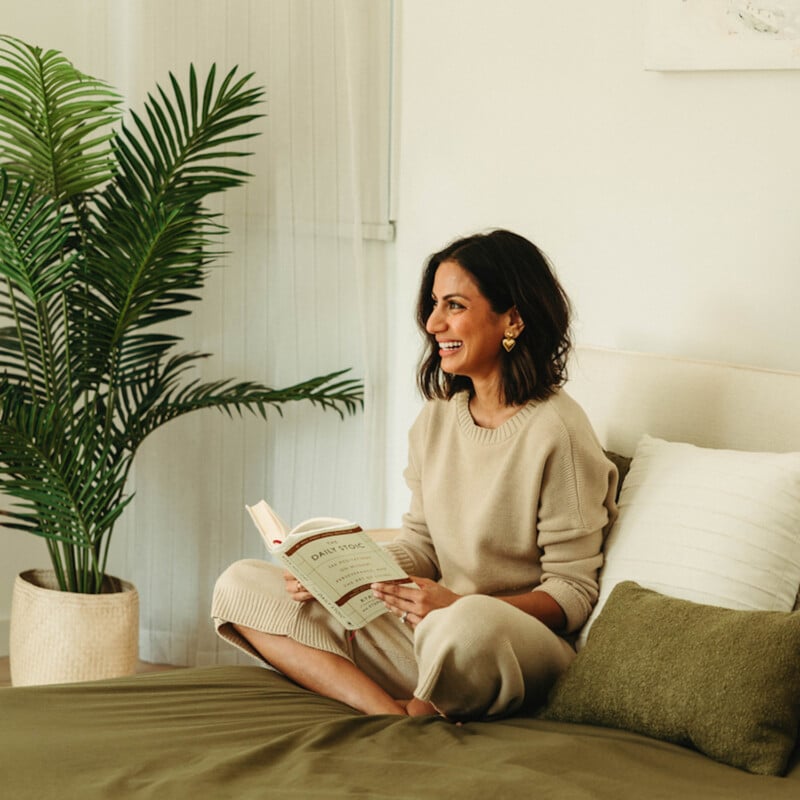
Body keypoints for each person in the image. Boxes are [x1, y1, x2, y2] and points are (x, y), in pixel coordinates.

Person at [211, 228, 618, 720]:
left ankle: (426, 695)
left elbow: (571, 594)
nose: (432, 323)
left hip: (505, 643)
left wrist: (455, 604)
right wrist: (341, 572)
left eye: (454, 306)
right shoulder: (438, 416)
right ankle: (388, 712)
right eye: (433, 305)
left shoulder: (559, 431)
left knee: (466, 623)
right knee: (241, 584)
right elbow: (422, 545)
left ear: (512, 318)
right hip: (432, 629)